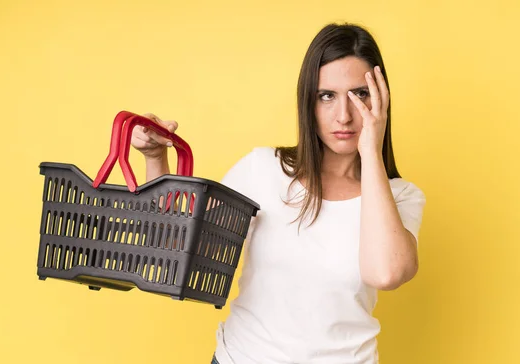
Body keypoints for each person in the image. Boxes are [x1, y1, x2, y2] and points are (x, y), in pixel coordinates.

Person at [131, 22, 426, 364]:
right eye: (326, 96)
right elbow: (177, 249)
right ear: (308, 102)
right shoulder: (263, 169)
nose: (343, 116)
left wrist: (371, 152)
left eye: (359, 94)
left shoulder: (400, 196)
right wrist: (156, 160)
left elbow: (386, 274)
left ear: (380, 100)